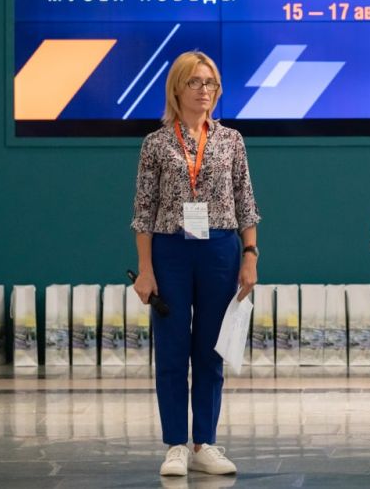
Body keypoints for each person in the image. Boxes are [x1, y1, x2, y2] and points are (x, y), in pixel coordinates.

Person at [131, 50, 260, 477]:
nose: (205, 90)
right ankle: (175, 445)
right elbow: (144, 211)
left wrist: (250, 255)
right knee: (171, 349)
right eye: (195, 82)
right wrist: (145, 269)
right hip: (170, 250)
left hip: (220, 249)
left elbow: (245, 201)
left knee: (209, 351)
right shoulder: (155, 144)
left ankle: (205, 442)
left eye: (211, 83)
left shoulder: (231, 140)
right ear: (177, 88)